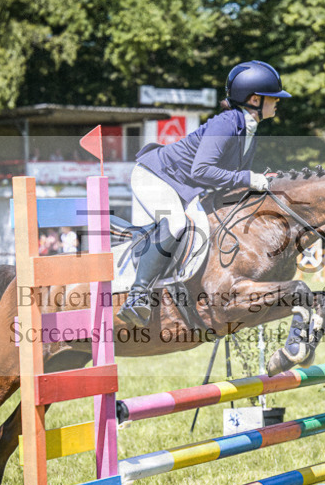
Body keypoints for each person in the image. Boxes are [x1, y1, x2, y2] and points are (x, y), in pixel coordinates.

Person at [117, 60, 291, 326]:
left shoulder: (248, 130)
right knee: (176, 224)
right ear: (255, 99)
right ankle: (137, 296)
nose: (278, 102)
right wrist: (248, 178)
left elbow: (231, 182)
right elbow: (202, 170)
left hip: (184, 186)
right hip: (155, 177)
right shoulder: (226, 124)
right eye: (273, 98)